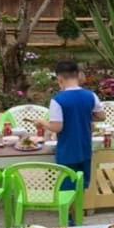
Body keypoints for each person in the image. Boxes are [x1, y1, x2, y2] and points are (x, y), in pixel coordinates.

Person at [35, 61, 105, 194]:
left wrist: (42, 122)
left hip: (67, 151)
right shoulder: (91, 95)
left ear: (59, 79)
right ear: (78, 75)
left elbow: (57, 128)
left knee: (67, 187)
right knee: (81, 184)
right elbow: (101, 116)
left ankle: (68, 214)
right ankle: (78, 211)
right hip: (85, 148)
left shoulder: (58, 100)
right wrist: (83, 116)